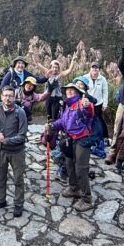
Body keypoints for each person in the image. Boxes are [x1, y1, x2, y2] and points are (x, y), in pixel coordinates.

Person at [44, 77, 96, 211]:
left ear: (78, 93)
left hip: (82, 140)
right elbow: (62, 122)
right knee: (69, 164)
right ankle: (74, 188)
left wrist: (87, 104)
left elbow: (89, 110)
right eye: (68, 91)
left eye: (73, 91)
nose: (70, 93)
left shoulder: (81, 103)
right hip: (69, 139)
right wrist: (52, 125)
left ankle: (86, 199)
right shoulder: (67, 106)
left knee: (81, 169)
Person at [0, 86, 30, 217]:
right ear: (1, 96)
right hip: (0, 151)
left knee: (18, 179)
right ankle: (0, 201)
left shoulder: (20, 112)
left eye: (10, 96)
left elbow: (22, 136)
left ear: (14, 97)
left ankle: (18, 204)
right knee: (0, 176)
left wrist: (5, 140)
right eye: (5, 95)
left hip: (17, 151)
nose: (8, 98)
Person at [80, 62, 110, 140]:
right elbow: (80, 89)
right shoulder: (85, 77)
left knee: (99, 120)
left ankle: (104, 136)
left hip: (98, 104)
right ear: (90, 69)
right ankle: (88, 135)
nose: (94, 69)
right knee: (87, 119)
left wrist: (105, 104)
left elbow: (105, 91)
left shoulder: (102, 79)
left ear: (98, 69)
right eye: (93, 68)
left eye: (96, 68)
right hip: (87, 103)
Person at [44, 57, 76, 124]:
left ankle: (55, 129)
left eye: (56, 67)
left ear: (58, 68)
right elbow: (38, 64)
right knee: (48, 116)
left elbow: (70, 70)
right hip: (48, 97)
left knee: (55, 116)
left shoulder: (61, 75)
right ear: (51, 68)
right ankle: (49, 130)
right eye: (53, 67)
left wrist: (73, 60)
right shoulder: (48, 73)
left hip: (57, 98)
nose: (55, 69)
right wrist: (32, 55)